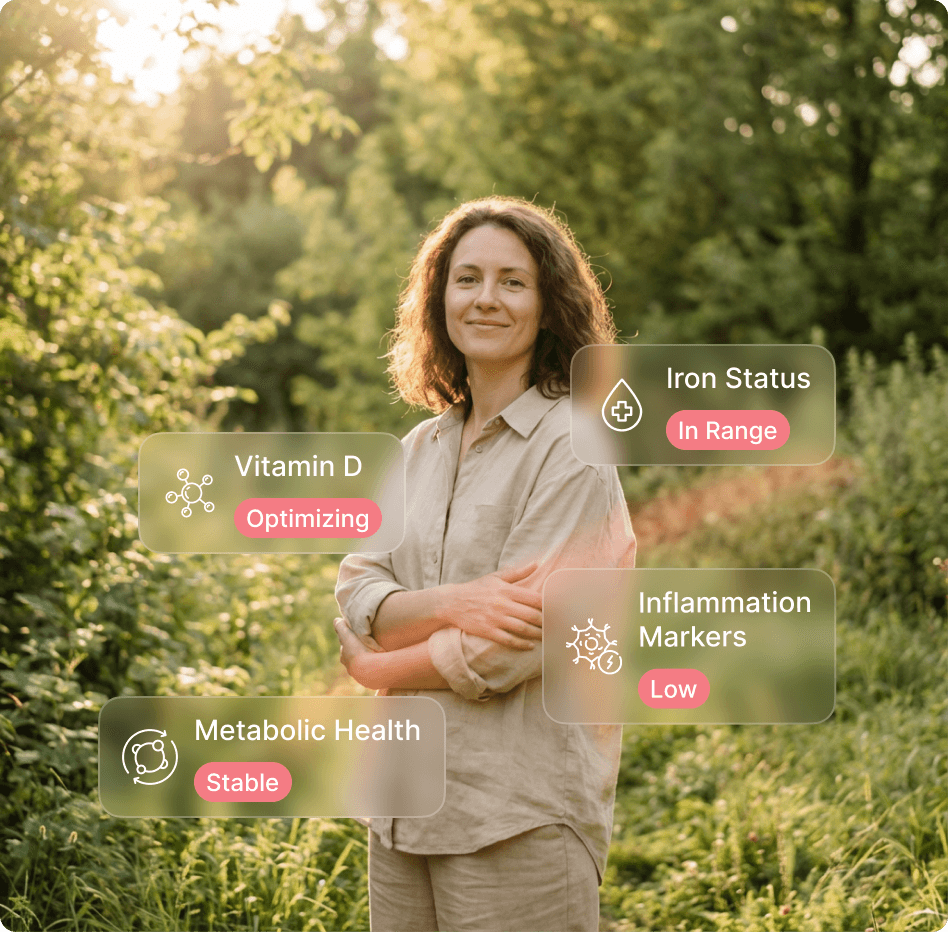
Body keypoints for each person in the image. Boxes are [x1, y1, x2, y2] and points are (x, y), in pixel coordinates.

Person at [332, 196, 635, 932]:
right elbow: (356, 587)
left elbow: (518, 642)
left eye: (512, 281)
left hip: (516, 814)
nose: (486, 299)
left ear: (548, 303)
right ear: (440, 302)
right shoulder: (417, 450)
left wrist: (379, 669)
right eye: (467, 279)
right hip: (403, 809)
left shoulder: (574, 446)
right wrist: (452, 603)